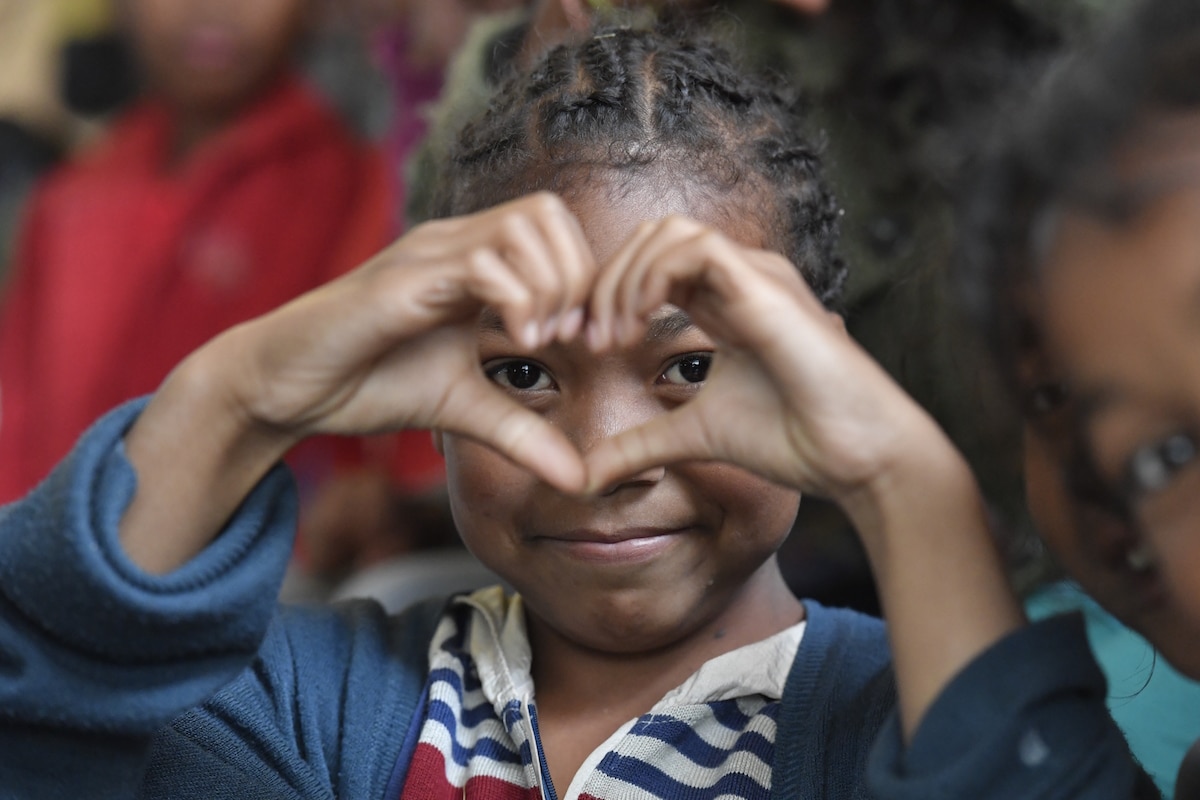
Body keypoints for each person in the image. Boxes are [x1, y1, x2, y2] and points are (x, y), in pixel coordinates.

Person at [0, 25, 909, 798]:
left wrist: (906, 478)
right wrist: (239, 393)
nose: (601, 457)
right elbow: (44, 722)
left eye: (691, 365)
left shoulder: (916, 719)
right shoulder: (315, 709)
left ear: (818, 372)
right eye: (520, 371)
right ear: (435, 400)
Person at [403, 0, 1124, 616]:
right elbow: (461, 306)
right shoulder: (594, 34)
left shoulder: (1094, 41)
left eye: (689, 364)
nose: (603, 459)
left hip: (1088, 573)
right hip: (778, 584)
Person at [0, 0, 414, 505]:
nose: (212, 8)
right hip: (41, 556)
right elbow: (14, 415)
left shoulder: (355, 191)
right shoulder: (69, 200)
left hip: (257, 568)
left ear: (310, 9)